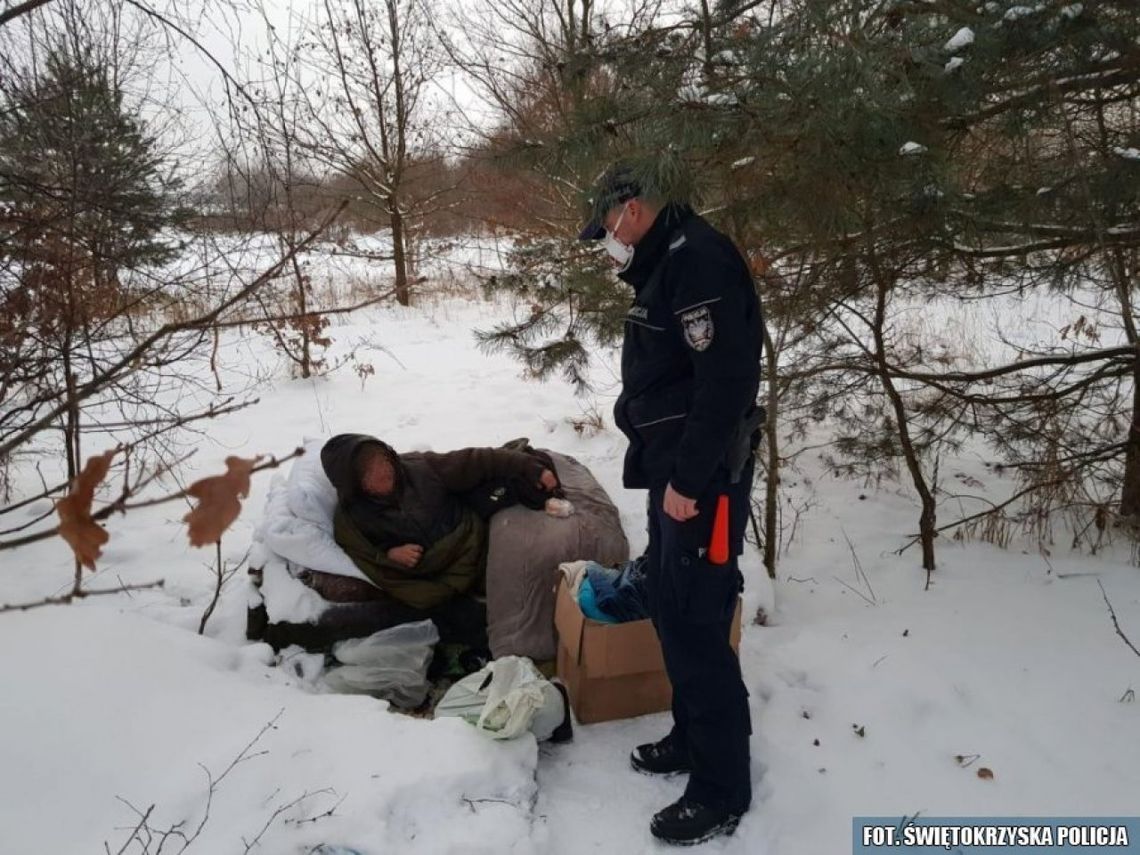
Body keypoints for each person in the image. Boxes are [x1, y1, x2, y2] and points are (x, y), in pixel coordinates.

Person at [579, 163, 765, 845]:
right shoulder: (669, 260)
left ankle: (721, 788)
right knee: (675, 600)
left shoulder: (698, 261)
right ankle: (693, 736)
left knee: (695, 619)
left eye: (606, 228)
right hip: (678, 475)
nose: (606, 242)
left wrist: (688, 481)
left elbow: (725, 382)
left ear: (631, 209)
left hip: (702, 480)